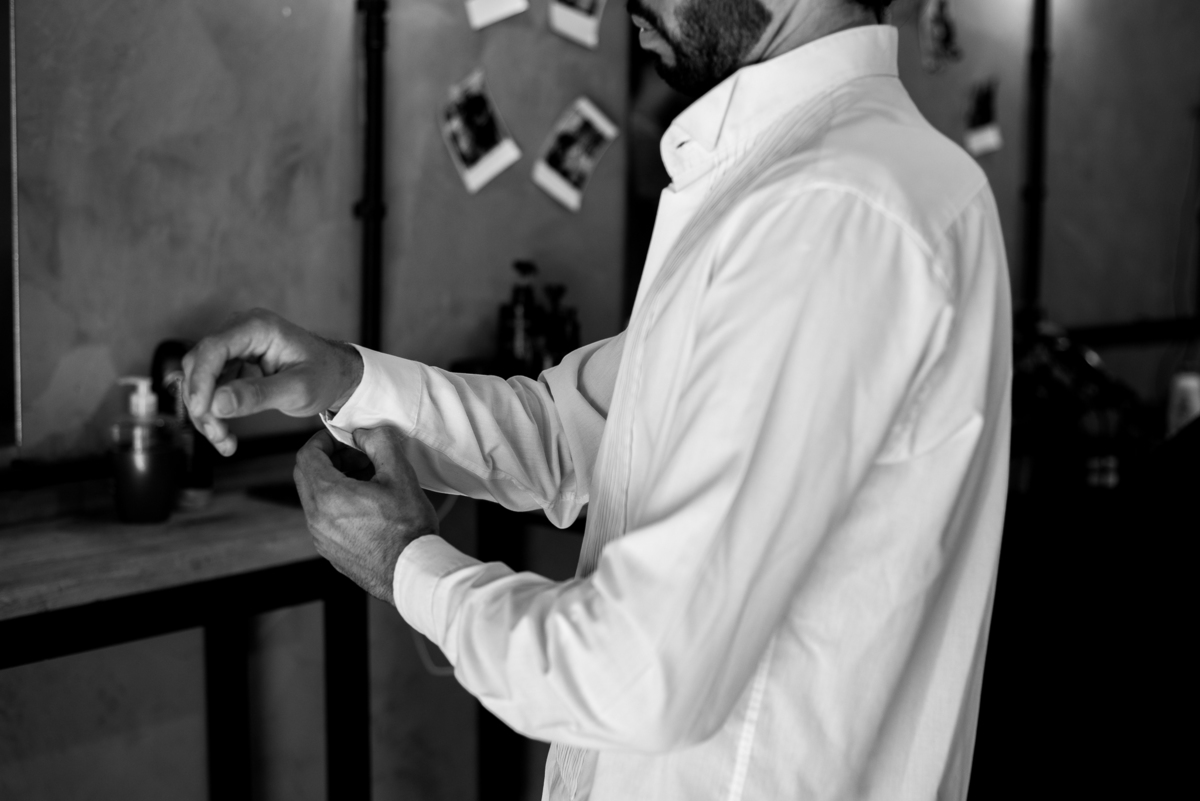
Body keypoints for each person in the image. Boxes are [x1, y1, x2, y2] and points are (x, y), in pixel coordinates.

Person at [182, 0, 1012, 798]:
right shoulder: (814, 180)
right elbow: (573, 433)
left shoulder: (830, 209)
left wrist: (408, 563)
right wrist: (345, 380)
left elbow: (643, 673)